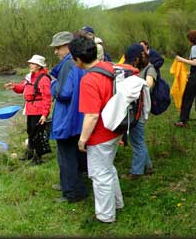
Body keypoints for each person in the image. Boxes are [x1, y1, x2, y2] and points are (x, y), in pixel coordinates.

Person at [71, 37, 123, 224]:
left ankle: (105, 216)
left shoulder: (89, 79)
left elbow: (92, 115)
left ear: (78, 59)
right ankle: (117, 203)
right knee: (108, 168)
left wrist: (82, 140)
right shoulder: (110, 68)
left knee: (99, 175)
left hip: (100, 134)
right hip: (116, 129)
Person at [48, 31, 89, 203]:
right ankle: (73, 185)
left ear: (68, 46)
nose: (56, 52)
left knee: (66, 157)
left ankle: (72, 193)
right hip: (79, 117)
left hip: (67, 117)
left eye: (58, 47)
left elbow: (64, 93)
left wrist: (53, 83)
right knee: (75, 155)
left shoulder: (67, 64)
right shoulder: (80, 62)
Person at [4, 55, 52, 165]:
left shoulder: (44, 79)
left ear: (39, 66)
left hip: (39, 110)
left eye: (33, 63)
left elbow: (47, 98)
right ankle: (29, 154)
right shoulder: (30, 76)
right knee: (30, 132)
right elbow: (22, 88)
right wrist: (14, 86)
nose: (30, 65)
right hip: (30, 109)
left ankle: (38, 158)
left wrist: (44, 114)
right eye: (30, 63)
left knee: (37, 133)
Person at [122, 43, 155, 180]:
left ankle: (136, 171)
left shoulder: (149, 68)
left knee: (137, 141)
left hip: (138, 111)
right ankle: (148, 167)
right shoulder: (129, 69)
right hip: (132, 110)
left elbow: (149, 84)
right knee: (138, 139)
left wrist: (134, 83)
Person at [174, 30, 196, 128]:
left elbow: (195, 63)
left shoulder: (194, 48)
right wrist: (190, 72)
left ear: (191, 39)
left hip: (195, 78)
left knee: (187, 98)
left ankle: (183, 121)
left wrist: (181, 59)